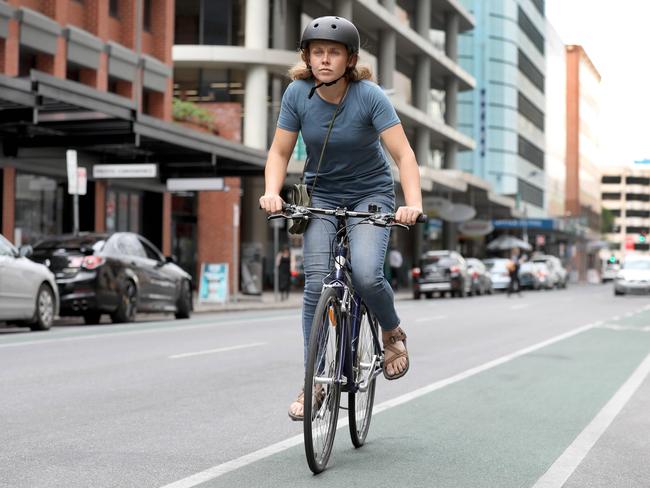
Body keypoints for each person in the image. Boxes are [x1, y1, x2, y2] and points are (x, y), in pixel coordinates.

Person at [258, 16, 423, 421]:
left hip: (371, 194)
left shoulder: (369, 96)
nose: (325, 60)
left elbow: (403, 155)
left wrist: (412, 201)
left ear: (350, 59)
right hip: (322, 196)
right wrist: (271, 192)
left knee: (366, 274)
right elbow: (280, 152)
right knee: (316, 285)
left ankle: (392, 332)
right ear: (307, 58)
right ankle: (314, 381)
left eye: (333, 53)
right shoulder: (297, 94)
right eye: (318, 52)